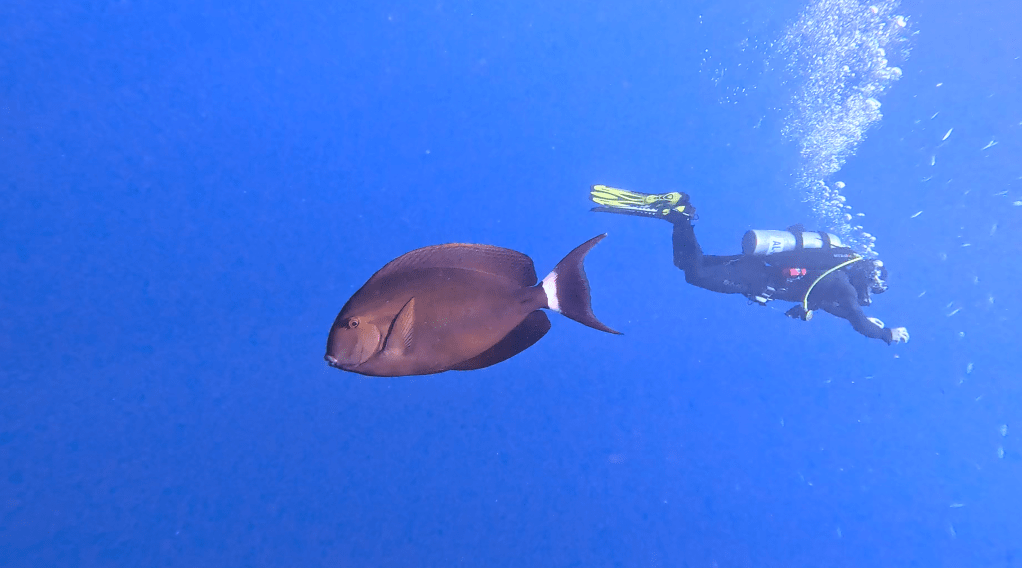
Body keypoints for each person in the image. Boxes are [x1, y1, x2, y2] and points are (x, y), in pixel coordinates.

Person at [590, 185, 909, 345]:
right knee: (696, 274)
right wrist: (886, 334)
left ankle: (677, 217)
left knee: (687, 265)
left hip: (756, 268)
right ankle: (681, 215)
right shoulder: (843, 287)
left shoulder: (833, 281)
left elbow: (831, 307)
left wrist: (808, 308)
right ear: (866, 278)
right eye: (872, 288)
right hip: (754, 277)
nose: (867, 295)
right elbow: (856, 320)